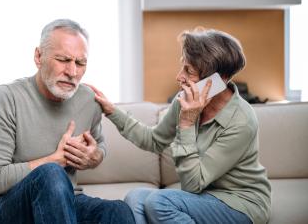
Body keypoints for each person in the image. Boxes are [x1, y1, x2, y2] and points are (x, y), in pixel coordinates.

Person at [87, 28, 271, 224]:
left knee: (160, 202)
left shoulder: (241, 120)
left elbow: (193, 184)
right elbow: (154, 140)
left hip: (240, 203)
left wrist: (186, 123)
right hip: (203, 198)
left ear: (216, 81)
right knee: (135, 198)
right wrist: (111, 111)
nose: (179, 77)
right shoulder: (183, 100)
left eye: (188, 71)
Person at [0, 19, 135, 224]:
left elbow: (99, 146)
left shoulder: (88, 100)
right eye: (63, 60)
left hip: (66, 201)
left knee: (118, 211)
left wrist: (94, 156)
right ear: (38, 56)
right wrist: (56, 160)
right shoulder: (7, 97)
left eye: (80, 63)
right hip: (6, 207)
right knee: (51, 174)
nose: (72, 72)